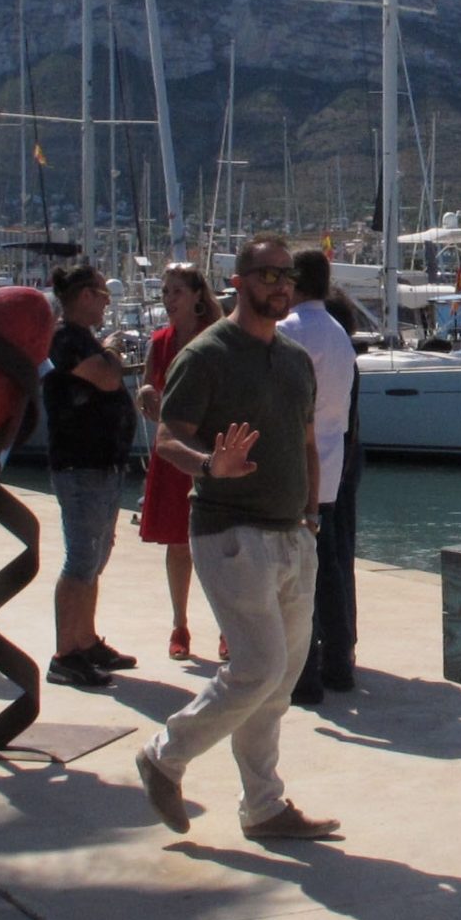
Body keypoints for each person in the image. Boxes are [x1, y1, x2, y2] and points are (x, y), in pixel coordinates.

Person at [133, 234, 337, 843]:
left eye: (287, 277)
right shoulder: (207, 354)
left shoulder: (296, 360)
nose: (280, 284)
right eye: (267, 274)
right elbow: (168, 437)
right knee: (257, 667)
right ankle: (164, 756)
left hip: (293, 534)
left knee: (278, 682)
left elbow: (305, 444)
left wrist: (311, 516)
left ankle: (264, 807)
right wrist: (208, 466)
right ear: (239, 281)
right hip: (230, 532)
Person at [43, 261, 139, 688]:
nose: (106, 302)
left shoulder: (83, 340)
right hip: (80, 466)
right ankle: (66, 653)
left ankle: (85, 639)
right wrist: (113, 350)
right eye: (102, 295)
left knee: (96, 555)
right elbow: (106, 377)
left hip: (103, 465)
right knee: (81, 558)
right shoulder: (66, 339)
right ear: (84, 296)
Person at [278, 250, 359, 705]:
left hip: (296, 464)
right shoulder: (338, 334)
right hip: (332, 461)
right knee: (329, 570)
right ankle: (339, 664)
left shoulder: (288, 332)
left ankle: (304, 673)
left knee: (297, 577)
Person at [135, 262, 220, 663]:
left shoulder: (216, 339)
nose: (169, 299)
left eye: (177, 292)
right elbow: (149, 383)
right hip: (171, 451)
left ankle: (227, 627)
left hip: (208, 448)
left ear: (197, 296)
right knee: (177, 542)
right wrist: (147, 390)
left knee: (218, 544)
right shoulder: (159, 341)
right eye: (166, 292)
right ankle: (179, 624)